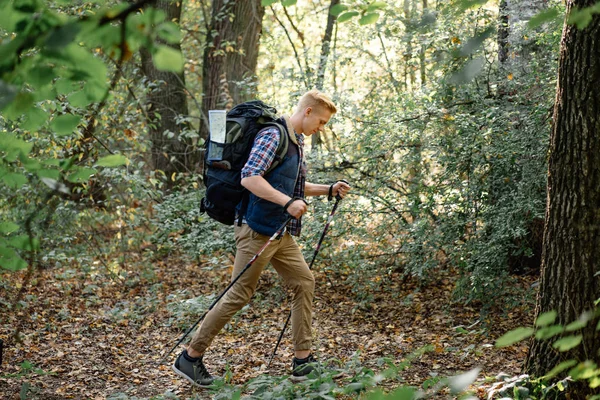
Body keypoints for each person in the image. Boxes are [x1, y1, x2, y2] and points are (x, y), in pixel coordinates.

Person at [172, 89, 351, 386]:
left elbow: (292, 185)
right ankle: (190, 358)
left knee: (304, 282)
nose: (322, 128)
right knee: (239, 294)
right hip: (256, 231)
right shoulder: (274, 135)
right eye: (321, 121)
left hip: (279, 232)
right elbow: (250, 177)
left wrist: (328, 189)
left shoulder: (296, 142)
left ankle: (302, 362)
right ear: (307, 111)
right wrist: (287, 203)